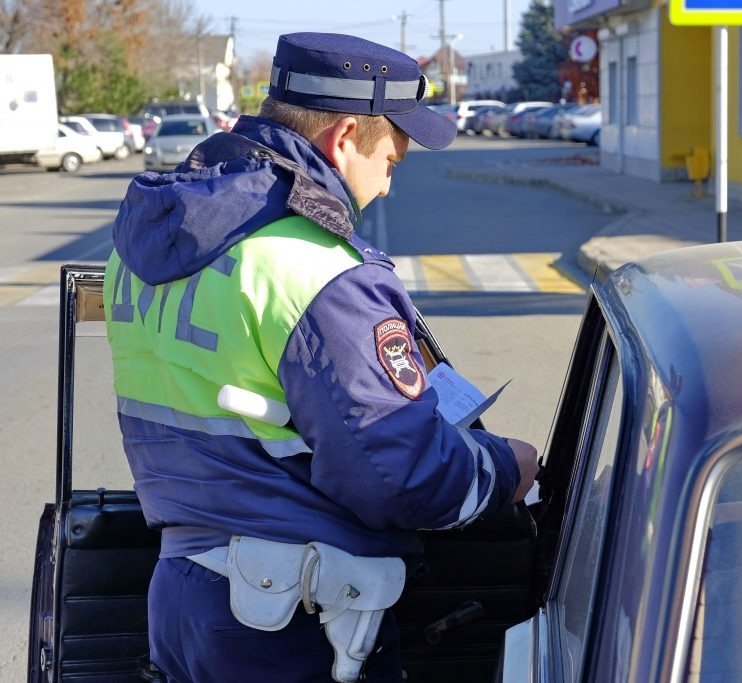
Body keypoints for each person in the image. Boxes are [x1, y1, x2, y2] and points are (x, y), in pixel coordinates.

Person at [102, 32, 539, 683]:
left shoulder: (145, 246)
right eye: (390, 160)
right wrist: (506, 465)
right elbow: (401, 476)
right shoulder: (315, 268)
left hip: (182, 598)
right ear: (344, 138)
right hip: (295, 620)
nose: (387, 187)